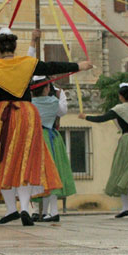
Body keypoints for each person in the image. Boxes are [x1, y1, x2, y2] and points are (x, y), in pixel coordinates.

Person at [0, 27, 93, 226]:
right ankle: (25, 207)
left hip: (2, 117)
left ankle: (11, 209)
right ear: (15, 46)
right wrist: (79, 66)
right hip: (27, 116)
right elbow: (52, 67)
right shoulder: (27, 64)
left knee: (3, 162)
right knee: (24, 161)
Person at [79, 82, 128, 218]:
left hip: (127, 141)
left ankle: (125, 207)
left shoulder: (119, 109)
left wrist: (85, 116)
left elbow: (101, 119)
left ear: (121, 96)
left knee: (122, 171)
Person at [31, 75, 76, 223]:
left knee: (39, 175)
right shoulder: (54, 101)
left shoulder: (29, 104)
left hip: (36, 139)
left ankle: (43, 211)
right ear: (46, 88)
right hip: (52, 138)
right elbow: (62, 111)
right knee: (52, 174)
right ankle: (51, 211)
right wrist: (60, 94)